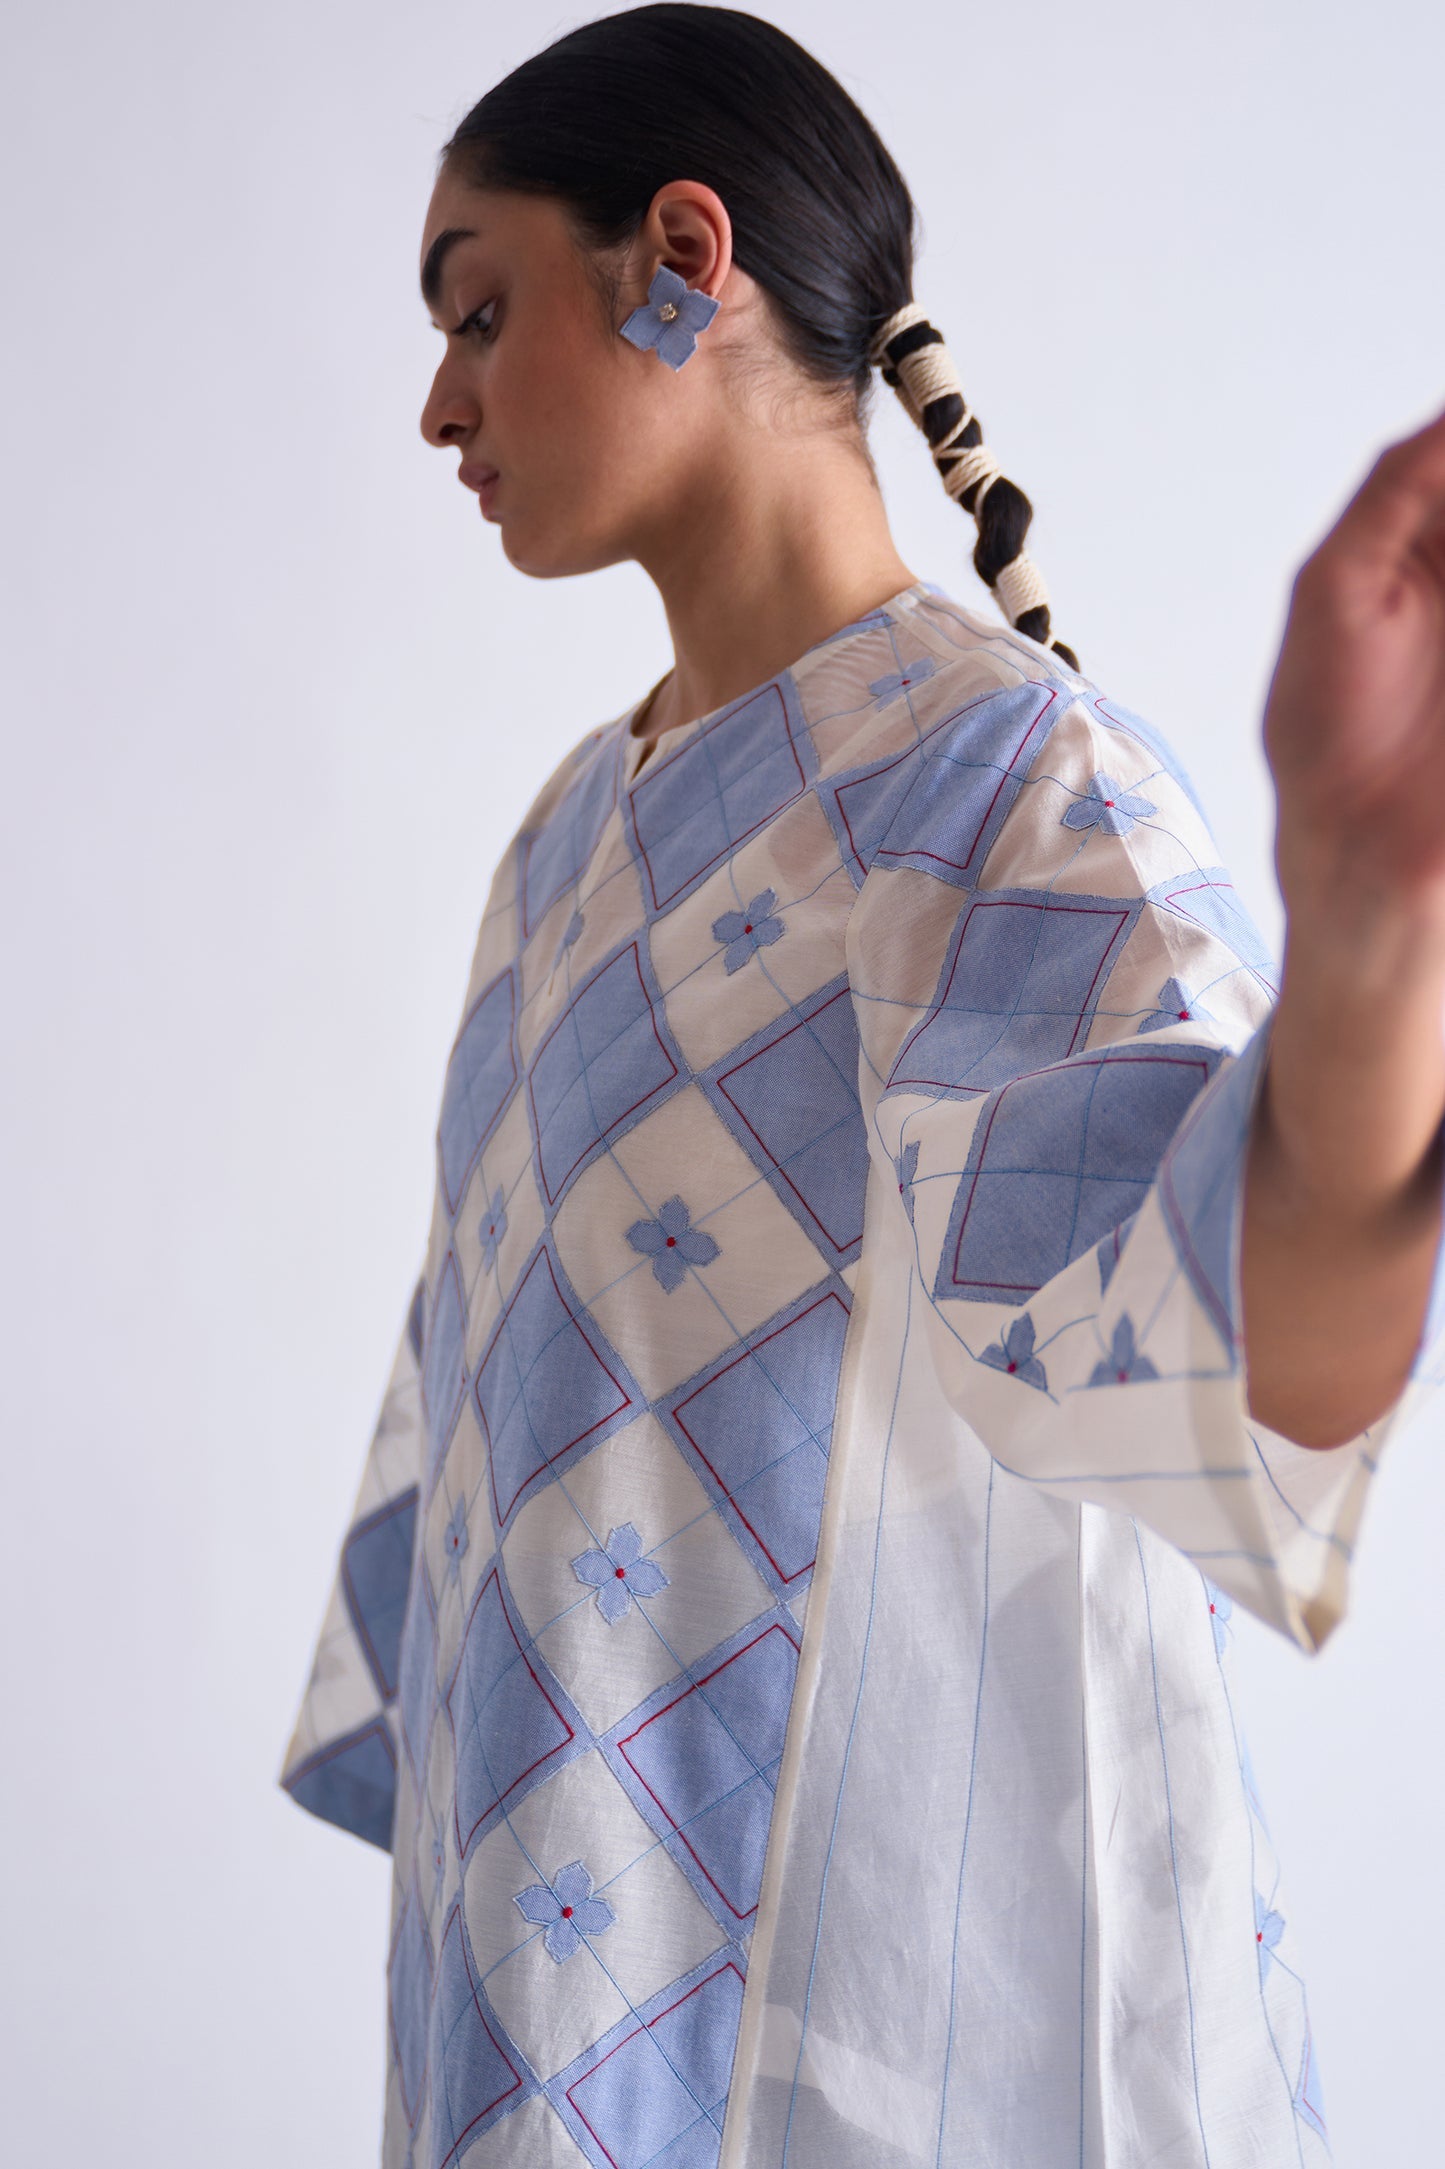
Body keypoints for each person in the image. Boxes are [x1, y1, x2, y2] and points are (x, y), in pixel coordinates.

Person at [280, 8, 1445, 2163]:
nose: (438, 398)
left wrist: (1374, 933)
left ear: (678, 254)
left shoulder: (1004, 784)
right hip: (550, 2008)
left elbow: (1242, 1354)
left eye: (475, 303)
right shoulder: (559, 847)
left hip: (909, 2048)